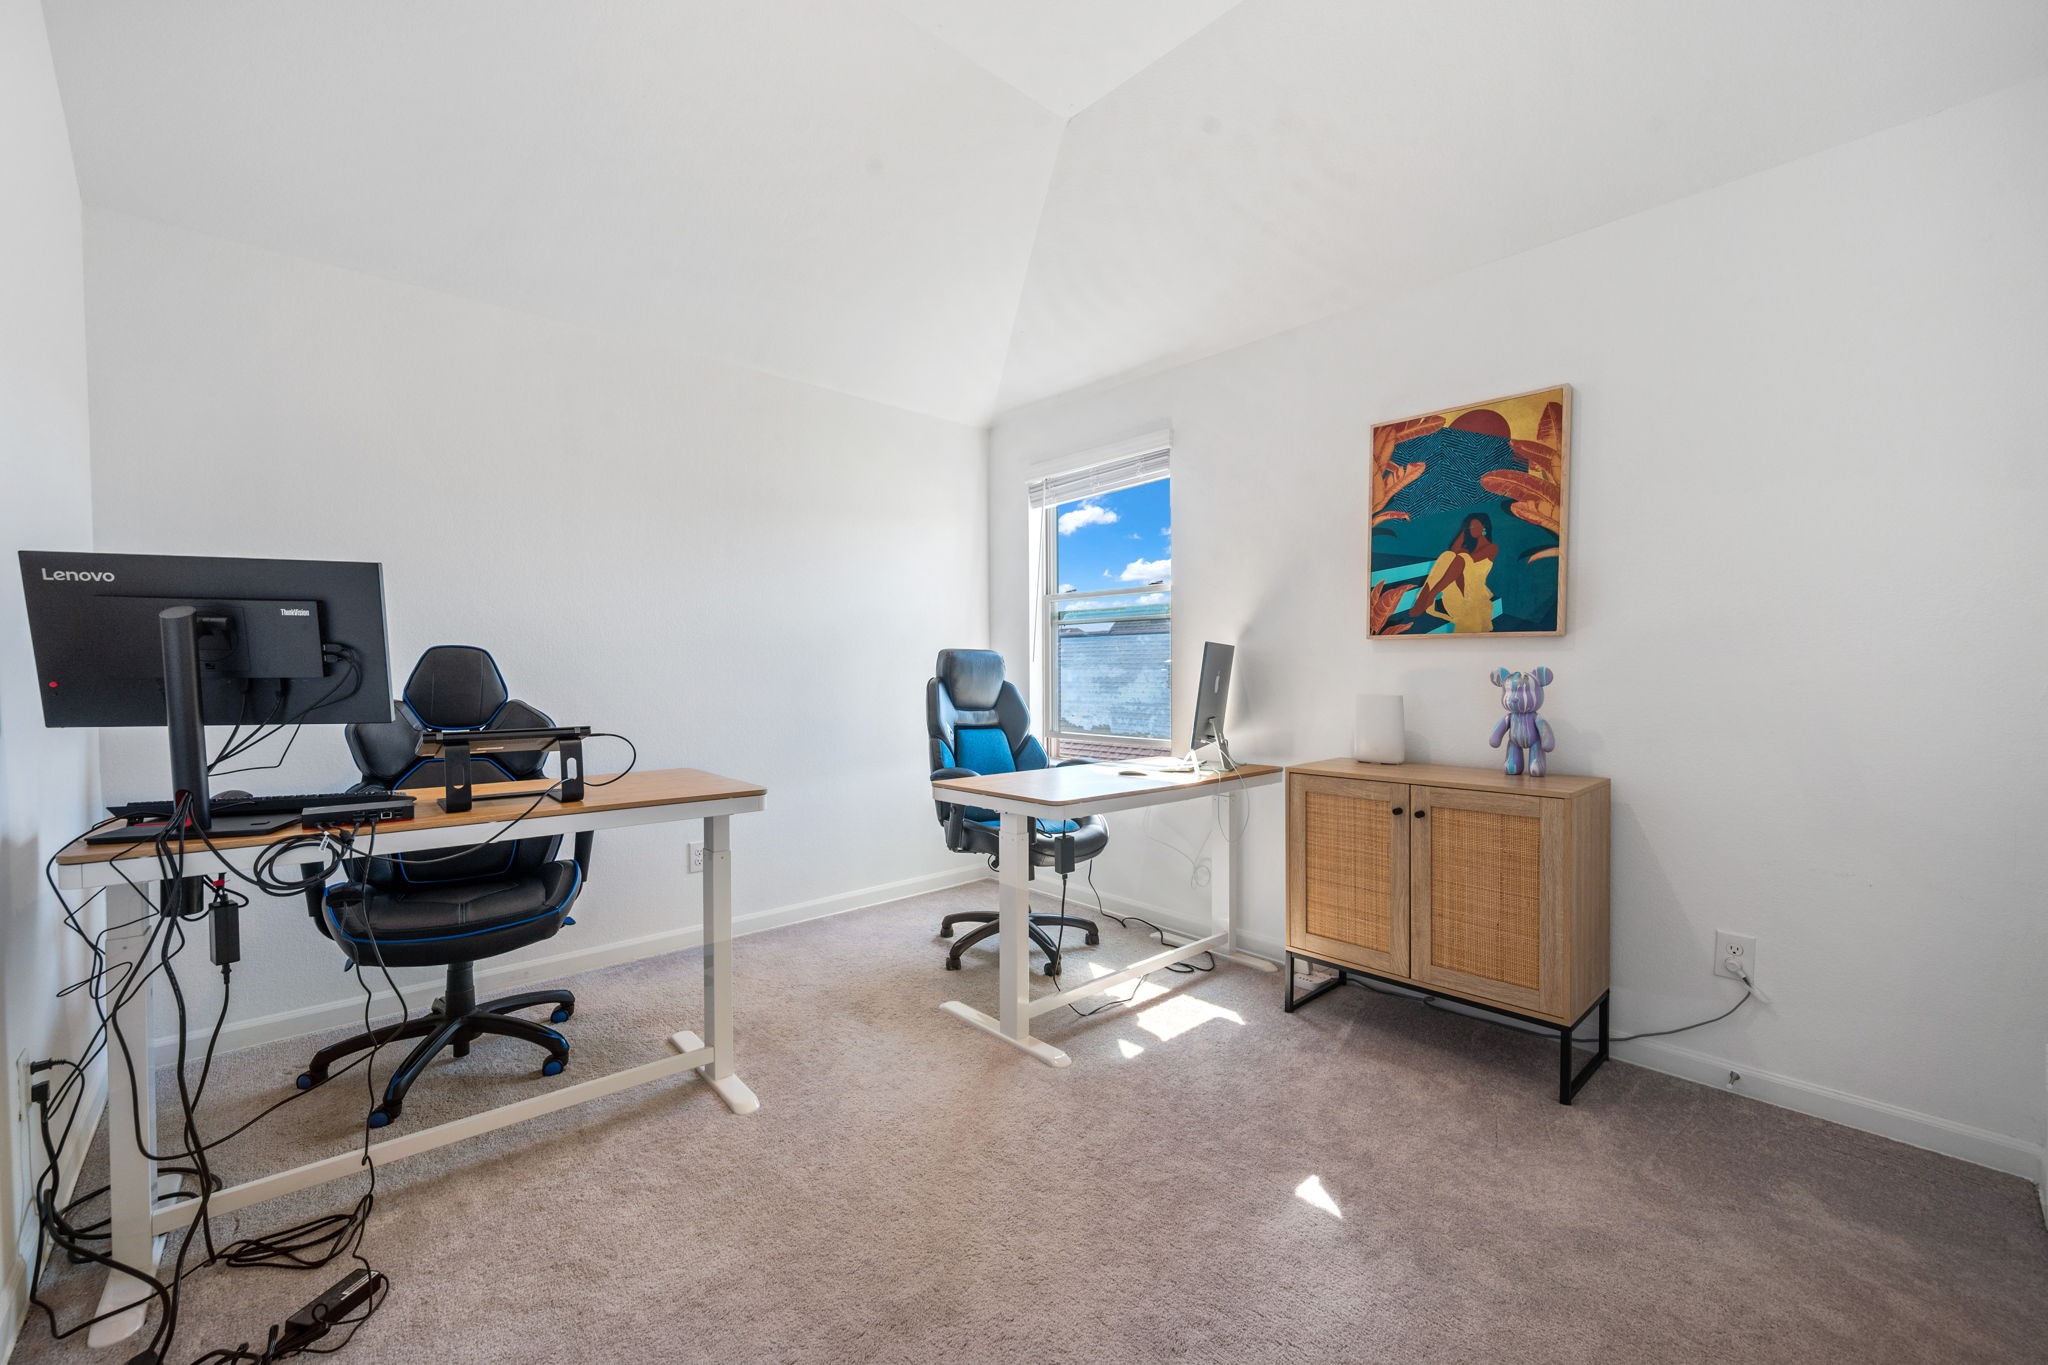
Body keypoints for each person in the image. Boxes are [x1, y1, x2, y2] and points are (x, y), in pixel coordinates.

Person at [1410, 513, 1498, 632]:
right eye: (1469, 527)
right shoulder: (1468, 547)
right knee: (1448, 555)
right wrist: (1463, 530)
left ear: (1484, 527)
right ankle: (1425, 597)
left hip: (1472, 592)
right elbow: (1454, 551)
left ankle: (1430, 595)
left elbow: (1469, 559)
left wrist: (1461, 553)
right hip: (1457, 589)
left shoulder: (1492, 547)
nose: (1471, 529)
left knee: (1461, 557)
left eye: (1475, 526)